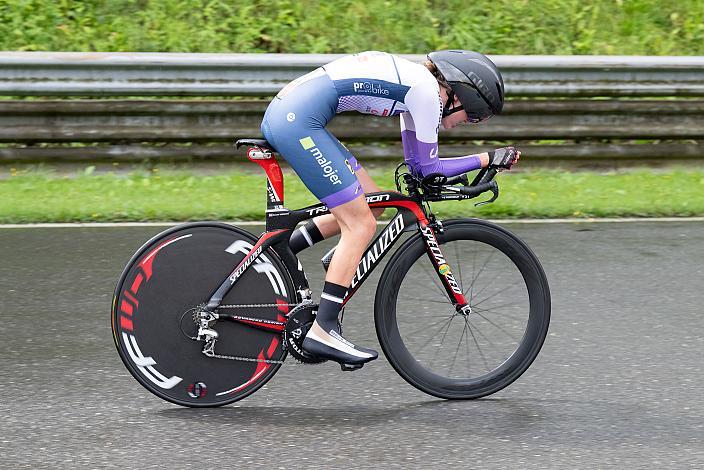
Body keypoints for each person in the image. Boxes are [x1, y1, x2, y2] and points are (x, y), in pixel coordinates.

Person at [260, 50, 519, 368]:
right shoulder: (425, 93)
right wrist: (487, 158)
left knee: (374, 201)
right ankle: (323, 329)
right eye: (473, 117)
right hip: (298, 122)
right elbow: (428, 167)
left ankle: (284, 252)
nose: (467, 123)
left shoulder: (416, 86)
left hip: (293, 115)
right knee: (360, 226)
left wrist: (455, 170)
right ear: (462, 96)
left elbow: (418, 166)